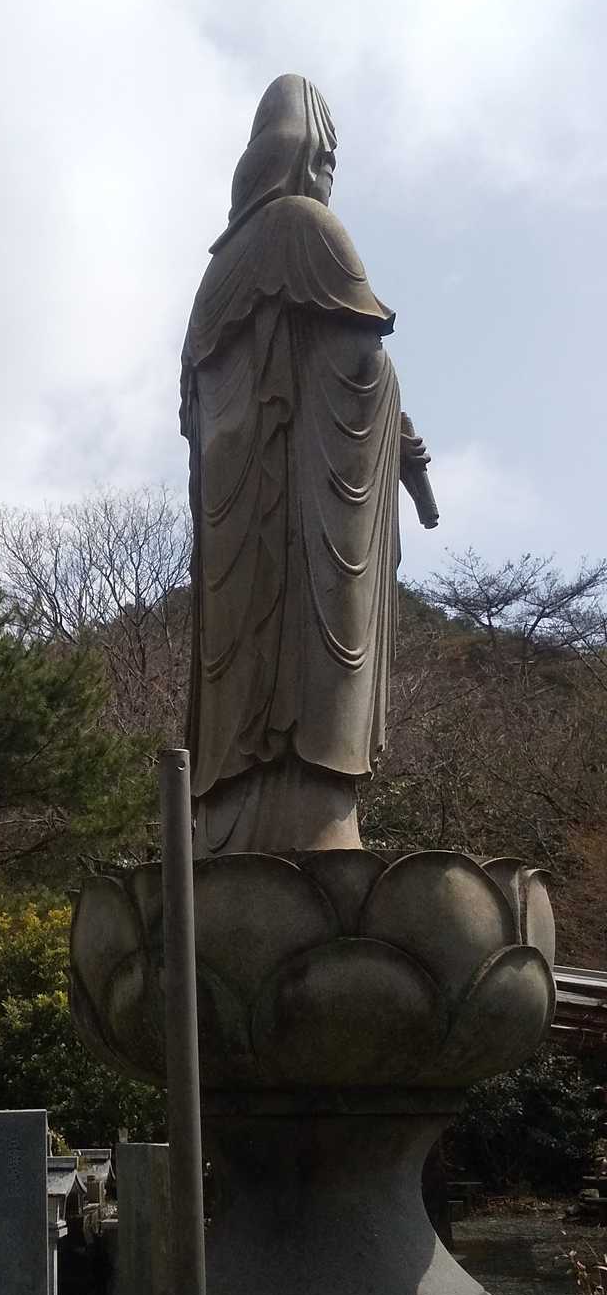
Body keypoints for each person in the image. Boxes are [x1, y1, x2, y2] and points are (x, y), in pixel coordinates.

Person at [180, 73, 437, 856]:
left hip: (235, 544)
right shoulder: (305, 226)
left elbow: (203, 425)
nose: (327, 177)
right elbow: (360, 358)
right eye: (323, 158)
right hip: (311, 504)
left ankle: (225, 830)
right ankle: (318, 828)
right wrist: (398, 438)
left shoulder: (213, 280)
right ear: (293, 155)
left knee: (240, 668)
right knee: (320, 649)